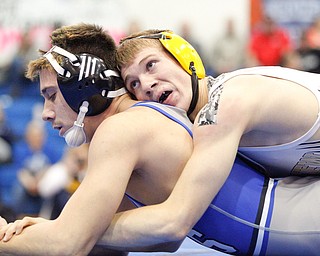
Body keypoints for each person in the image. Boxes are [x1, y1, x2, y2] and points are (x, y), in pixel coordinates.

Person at [1, 25, 320, 256]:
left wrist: (73, 227)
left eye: (51, 95)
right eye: (134, 82)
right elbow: (158, 241)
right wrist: (74, 227)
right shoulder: (147, 123)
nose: (44, 112)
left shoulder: (124, 131)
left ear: (84, 88)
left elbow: (71, 242)